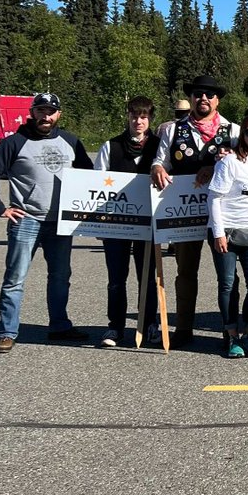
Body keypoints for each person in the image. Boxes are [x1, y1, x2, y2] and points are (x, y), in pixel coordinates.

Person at [0, 92, 93, 352]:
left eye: (51, 111)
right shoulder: (14, 143)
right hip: (26, 220)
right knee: (15, 278)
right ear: (32, 112)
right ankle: (7, 332)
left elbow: (90, 178)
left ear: (58, 115)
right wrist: (0, 208)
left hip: (61, 223)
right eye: (41, 110)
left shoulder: (70, 142)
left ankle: (59, 326)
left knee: (60, 276)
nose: (46, 115)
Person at [151, 75, 240, 347]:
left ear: (218, 100)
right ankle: (184, 329)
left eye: (210, 95)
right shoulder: (171, 130)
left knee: (227, 275)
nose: (204, 98)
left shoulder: (233, 131)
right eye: (198, 94)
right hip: (183, 212)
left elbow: (242, 165)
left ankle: (230, 331)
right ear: (191, 98)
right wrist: (156, 168)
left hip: (221, 214)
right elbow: (160, 160)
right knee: (185, 272)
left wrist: (215, 168)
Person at [95, 96, 160, 348]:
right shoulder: (110, 146)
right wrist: (98, 224)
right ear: (128, 116)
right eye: (134, 116)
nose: (138, 121)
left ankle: (148, 325)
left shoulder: (158, 146)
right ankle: (115, 327)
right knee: (116, 279)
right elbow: (96, 185)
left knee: (147, 277)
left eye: (143, 117)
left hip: (149, 224)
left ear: (150, 119)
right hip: (117, 223)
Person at [206, 112, 248, 358]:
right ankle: (231, 335)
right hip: (227, 231)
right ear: (242, 134)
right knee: (228, 284)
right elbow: (214, 198)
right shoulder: (230, 161)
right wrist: (218, 233)